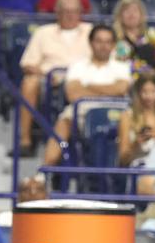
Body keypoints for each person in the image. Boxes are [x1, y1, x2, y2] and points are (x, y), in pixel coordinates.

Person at [42, 25, 132, 167]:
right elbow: (73, 94)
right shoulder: (77, 66)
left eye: (108, 42)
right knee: (63, 121)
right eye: (99, 41)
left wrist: (88, 86)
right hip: (81, 111)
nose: (103, 46)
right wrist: (108, 90)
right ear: (91, 43)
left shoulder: (122, 67)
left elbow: (121, 89)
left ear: (113, 45)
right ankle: (44, 171)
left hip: (116, 112)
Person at [17, 0, 92, 155]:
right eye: (66, 11)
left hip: (84, 80)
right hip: (51, 80)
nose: (70, 15)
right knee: (29, 82)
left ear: (81, 12)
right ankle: (25, 139)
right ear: (57, 12)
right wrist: (48, 74)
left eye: (74, 11)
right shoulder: (43, 32)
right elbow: (28, 64)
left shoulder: (92, 32)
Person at [118, 75, 155, 167]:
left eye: (153, 91)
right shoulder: (126, 116)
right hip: (137, 167)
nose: (149, 96)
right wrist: (136, 144)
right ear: (138, 93)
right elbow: (122, 159)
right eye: (144, 91)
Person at [112, 0, 155, 71]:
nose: (131, 14)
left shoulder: (152, 36)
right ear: (120, 15)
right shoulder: (113, 37)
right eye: (127, 10)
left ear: (141, 15)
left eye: (135, 10)